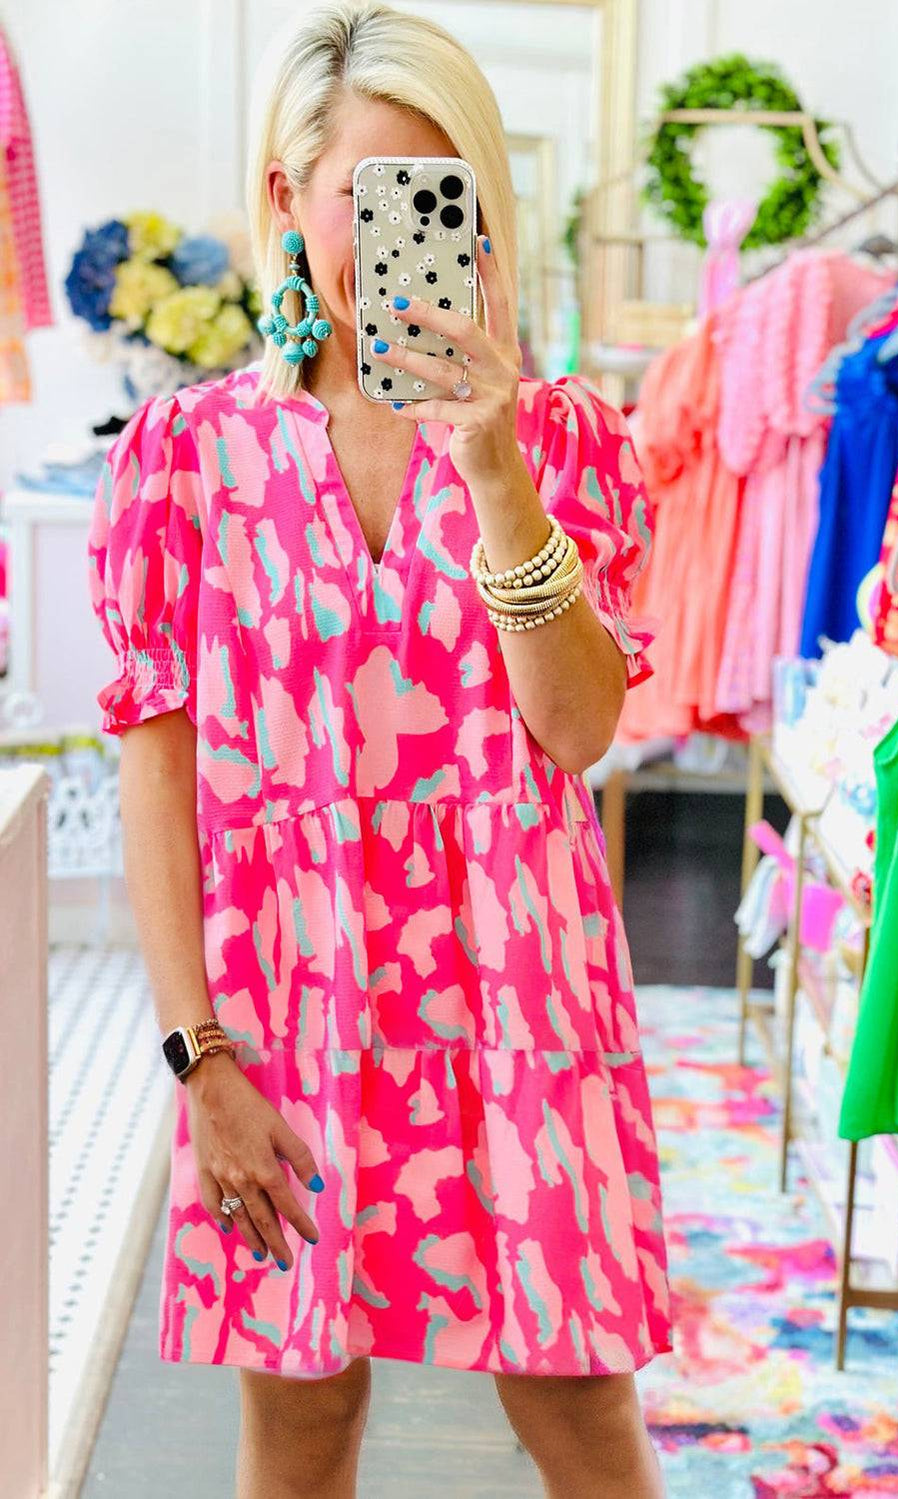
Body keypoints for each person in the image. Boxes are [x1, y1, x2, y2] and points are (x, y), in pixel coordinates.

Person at [86, 3, 671, 1494]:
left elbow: (580, 728)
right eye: (371, 196)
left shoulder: (569, 440)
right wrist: (196, 1054)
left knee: (581, 1418)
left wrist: (495, 471)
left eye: (446, 195)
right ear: (286, 200)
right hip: (288, 1010)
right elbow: (155, 773)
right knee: (299, 1420)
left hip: (522, 1006)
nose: (409, 232)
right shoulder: (187, 460)